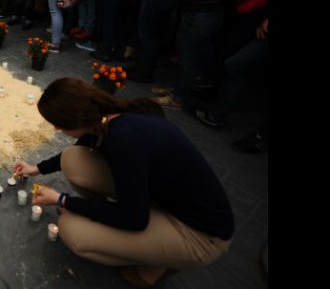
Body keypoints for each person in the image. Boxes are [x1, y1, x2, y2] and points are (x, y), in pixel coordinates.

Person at [15, 77, 234, 287]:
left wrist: (62, 200)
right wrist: (36, 169)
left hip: (200, 235)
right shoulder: (109, 114)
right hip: (163, 202)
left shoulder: (122, 140)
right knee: (73, 158)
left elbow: (135, 219)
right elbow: (78, 149)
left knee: (72, 231)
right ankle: (109, 222)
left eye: (58, 125)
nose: (57, 130)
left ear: (75, 120)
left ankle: (156, 263)